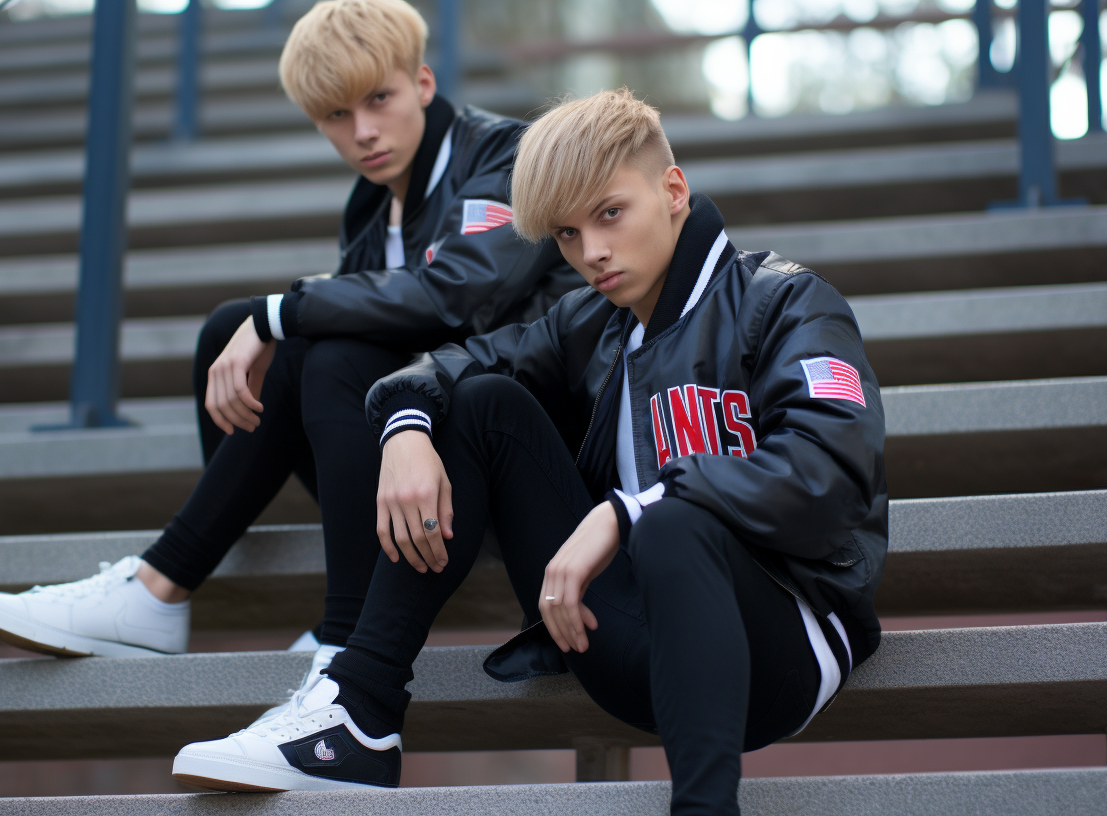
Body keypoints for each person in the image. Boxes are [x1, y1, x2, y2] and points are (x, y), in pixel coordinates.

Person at [168, 88, 888, 813]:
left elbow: (830, 467)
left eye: (610, 214)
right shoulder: (589, 320)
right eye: (569, 236)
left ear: (673, 190)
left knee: (674, 523)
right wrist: (407, 425)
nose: (593, 253)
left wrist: (627, 513)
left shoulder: (787, 303)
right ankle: (361, 711)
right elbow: (455, 362)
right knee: (482, 404)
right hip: (620, 635)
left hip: (782, 645)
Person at [0, 0, 578, 685]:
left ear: (423, 83)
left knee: (315, 342)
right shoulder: (372, 204)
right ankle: (164, 593)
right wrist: (270, 317)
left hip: (507, 449)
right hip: (413, 443)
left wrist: (281, 310)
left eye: (379, 99)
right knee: (235, 328)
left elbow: (456, 294)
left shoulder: (507, 155)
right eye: (337, 116)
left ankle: (309, 630)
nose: (364, 132)